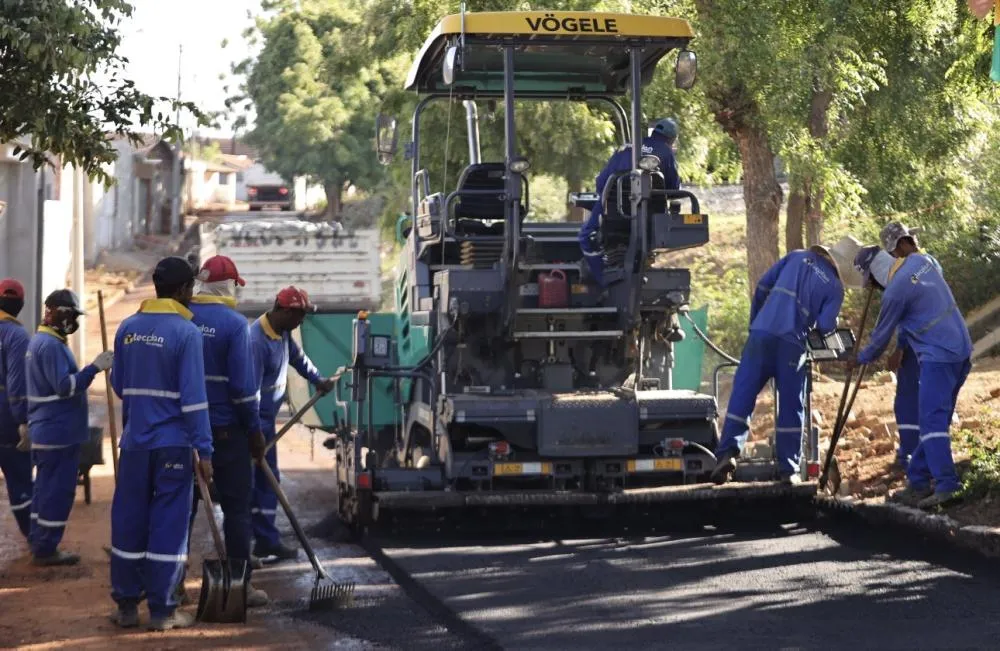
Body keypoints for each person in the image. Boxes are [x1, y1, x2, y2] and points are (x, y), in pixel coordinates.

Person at [108, 257, 213, 631]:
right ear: (184, 290)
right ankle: (163, 611)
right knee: (168, 525)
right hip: (173, 445)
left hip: (134, 443)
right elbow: (195, 400)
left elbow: (119, 385)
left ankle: (125, 605)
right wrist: (205, 450)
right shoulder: (187, 334)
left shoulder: (128, 328)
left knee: (128, 521)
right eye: (192, 288)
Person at [851, 245, 972, 510]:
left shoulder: (895, 291)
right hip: (961, 350)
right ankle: (917, 481)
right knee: (936, 422)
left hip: (939, 355)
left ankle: (947, 485)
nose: (876, 288)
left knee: (930, 421)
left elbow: (880, 339)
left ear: (875, 274)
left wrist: (857, 358)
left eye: (872, 282)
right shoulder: (921, 261)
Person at [711, 246, 844, 485]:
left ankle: (728, 453)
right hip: (792, 344)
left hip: (760, 335)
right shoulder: (835, 286)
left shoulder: (796, 256)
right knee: (792, 404)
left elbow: (762, 286)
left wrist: (756, 324)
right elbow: (825, 326)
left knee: (743, 392)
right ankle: (789, 469)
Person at [183, 255, 268, 608]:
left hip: (185, 433)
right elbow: (244, 390)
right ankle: (241, 586)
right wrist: (254, 430)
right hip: (226, 433)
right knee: (236, 509)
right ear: (229, 285)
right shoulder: (235, 325)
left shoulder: (181, 317)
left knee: (180, 511)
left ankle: (171, 585)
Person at [25, 289, 113, 566]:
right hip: (57, 433)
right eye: (71, 315)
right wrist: (94, 368)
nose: (74, 321)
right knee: (57, 492)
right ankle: (47, 548)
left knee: (44, 490)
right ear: (58, 313)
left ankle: (39, 540)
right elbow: (65, 387)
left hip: (48, 431)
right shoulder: (49, 346)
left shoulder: (43, 341)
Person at [250, 286, 334, 561]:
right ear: (284, 311)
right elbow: (247, 391)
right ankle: (253, 542)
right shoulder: (255, 341)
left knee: (268, 479)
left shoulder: (283, 334)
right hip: (254, 422)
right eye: (299, 316)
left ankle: (265, 539)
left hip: (267, 420)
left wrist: (318, 380)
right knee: (258, 480)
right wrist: (253, 432)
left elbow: (299, 360)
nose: (302, 322)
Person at [578, 118, 681, 286]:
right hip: (648, 217)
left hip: (613, 212)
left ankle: (602, 278)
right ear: (672, 139)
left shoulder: (626, 147)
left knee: (585, 236)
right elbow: (673, 189)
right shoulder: (667, 153)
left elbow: (601, 183)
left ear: (653, 132)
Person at [879, 221, 944, 471]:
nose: (896, 256)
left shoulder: (917, 269)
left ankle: (910, 453)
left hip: (918, 343)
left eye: (896, 251)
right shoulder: (930, 264)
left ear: (904, 243)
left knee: (908, 399)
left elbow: (912, 308)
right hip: (934, 341)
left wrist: (899, 348)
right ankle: (919, 455)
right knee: (925, 399)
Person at [0, 279, 32, 540]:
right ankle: (36, 539)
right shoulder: (16, 334)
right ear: (20, 305)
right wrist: (23, 419)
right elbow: (17, 381)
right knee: (19, 477)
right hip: (6, 416)